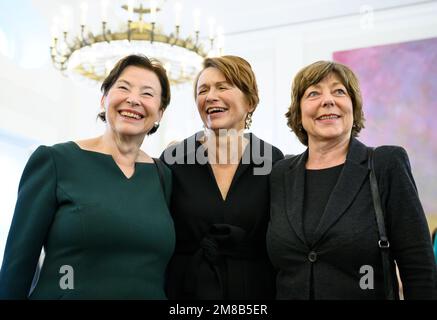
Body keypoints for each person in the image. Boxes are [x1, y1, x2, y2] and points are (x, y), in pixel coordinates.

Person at [0, 54, 175, 299]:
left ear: (159, 113)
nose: (133, 99)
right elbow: (17, 266)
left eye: (147, 94)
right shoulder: (55, 161)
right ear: (104, 99)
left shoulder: (163, 176)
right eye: (123, 88)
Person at [266, 60, 437, 300]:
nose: (328, 100)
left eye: (339, 91)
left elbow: (419, 266)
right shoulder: (280, 173)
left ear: (353, 108)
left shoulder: (385, 163)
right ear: (298, 112)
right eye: (313, 93)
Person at [161, 55, 284, 299]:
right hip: (187, 289)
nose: (210, 96)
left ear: (250, 101)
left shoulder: (272, 159)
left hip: (255, 290)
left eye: (223, 87)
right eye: (202, 90)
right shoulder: (174, 158)